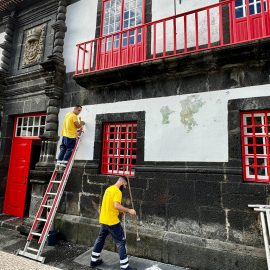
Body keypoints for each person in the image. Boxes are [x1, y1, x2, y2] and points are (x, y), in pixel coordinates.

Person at [90, 176, 137, 270]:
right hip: (112, 222)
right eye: (125, 185)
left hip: (104, 220)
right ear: (123, 182)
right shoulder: (117, 191)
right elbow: (116, 205)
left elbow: (111, 205)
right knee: (120, 241)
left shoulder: (108, 189)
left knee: (100, 239)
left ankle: (93, 261)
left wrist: (121, 211)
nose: (125, 187)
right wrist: (129, 210)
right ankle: (125, 266)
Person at [55, 105, 85, 171]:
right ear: (75, 109)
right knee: (69, 150)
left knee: (63, 149)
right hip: (71, 136)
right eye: (79, 110)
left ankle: (57, 165)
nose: (79, 112)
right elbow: (77, 126)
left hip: (64, 135)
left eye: (80, 111)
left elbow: (71, 125)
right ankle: (63, 166)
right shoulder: (74, 116)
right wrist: (81, 123)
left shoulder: (68, 114)